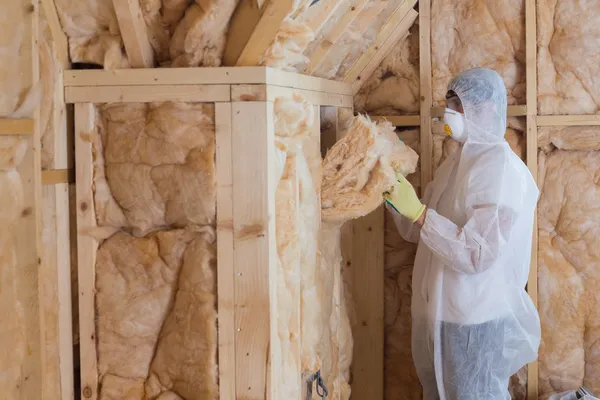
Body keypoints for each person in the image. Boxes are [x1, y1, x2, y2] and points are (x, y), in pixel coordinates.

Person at [383, 68, 541, 399]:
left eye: (459, 104)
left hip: (474, 317)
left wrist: (420, 213)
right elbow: (420, 231)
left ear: (488, 110)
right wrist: (392, 189)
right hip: (444, 313)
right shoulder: (455, 164)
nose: (449, 112)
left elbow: (478, 253)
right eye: (449, 102)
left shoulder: (498, 168)